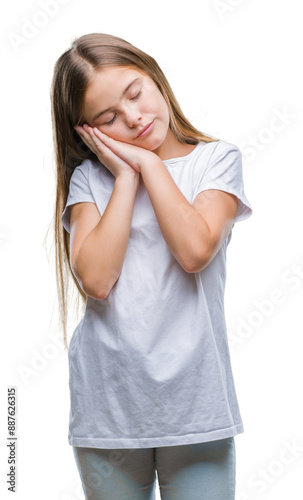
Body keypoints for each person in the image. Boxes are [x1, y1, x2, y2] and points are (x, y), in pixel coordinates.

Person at [50, 32, 253, 500]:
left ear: (153, 75)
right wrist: (125, 175)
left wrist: (150, 164)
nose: (135, 118)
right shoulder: (90, 181)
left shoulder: (215, 161)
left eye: (136, 94)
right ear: (88, 131)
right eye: (109, 118)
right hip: (110, 412)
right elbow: (97, 280)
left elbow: (194, 250)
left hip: (198, 406)